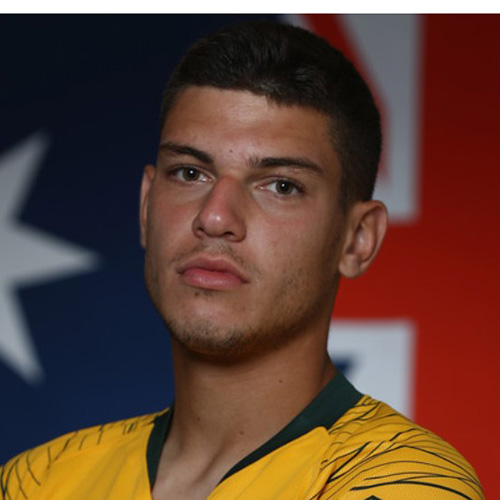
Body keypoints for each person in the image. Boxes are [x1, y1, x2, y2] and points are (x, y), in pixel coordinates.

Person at [0, 20, 483, 500]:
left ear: (357, 239)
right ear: (146, 206)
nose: (214, 217)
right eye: (190, 173)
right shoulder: (37, 482)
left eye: (281, 186)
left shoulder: (406, 484)